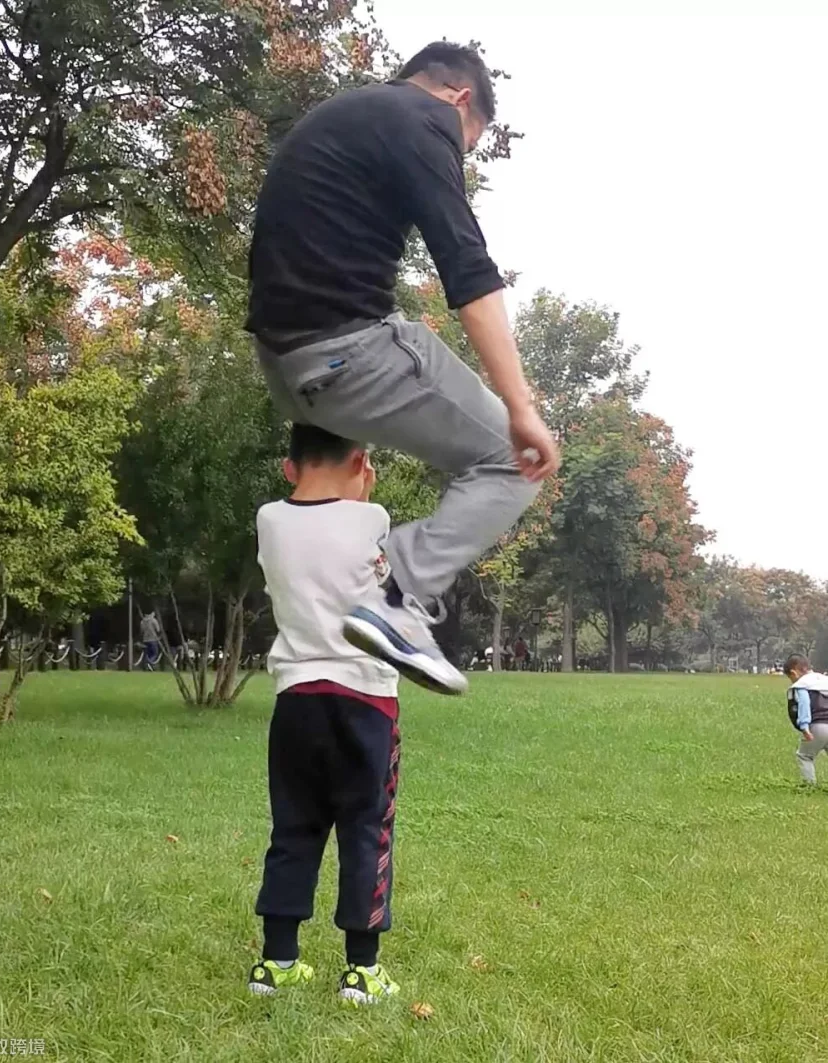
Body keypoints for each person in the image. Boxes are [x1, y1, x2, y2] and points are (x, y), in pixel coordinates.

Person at [248, 41, 560, 697]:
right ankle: (396, 597)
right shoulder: (425, 121)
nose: (459, 157)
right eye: (469, 145)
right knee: (515, 459)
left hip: (285, 368)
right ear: (460, 99)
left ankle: (383, 600)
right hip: (346, 350)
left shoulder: (349, 115)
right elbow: (468, 271)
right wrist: (523, 408)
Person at [249, 424, 402, 1005]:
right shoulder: (373, 517)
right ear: (361, 463)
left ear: (288, 468)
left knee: (293, 827)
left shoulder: (269, 520)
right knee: (366, 828)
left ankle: (276, 963)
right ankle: (362, 970)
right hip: (365, 699)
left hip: (296, 698)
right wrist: (365, 496)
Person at [784, 654, 828, 785]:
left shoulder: (802, 685)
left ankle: (810, 786)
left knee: (805, 756)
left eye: (790, 678)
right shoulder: (824, 680)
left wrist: (804, 727)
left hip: (818, 726)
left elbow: (804, 705)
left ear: (794, 673)